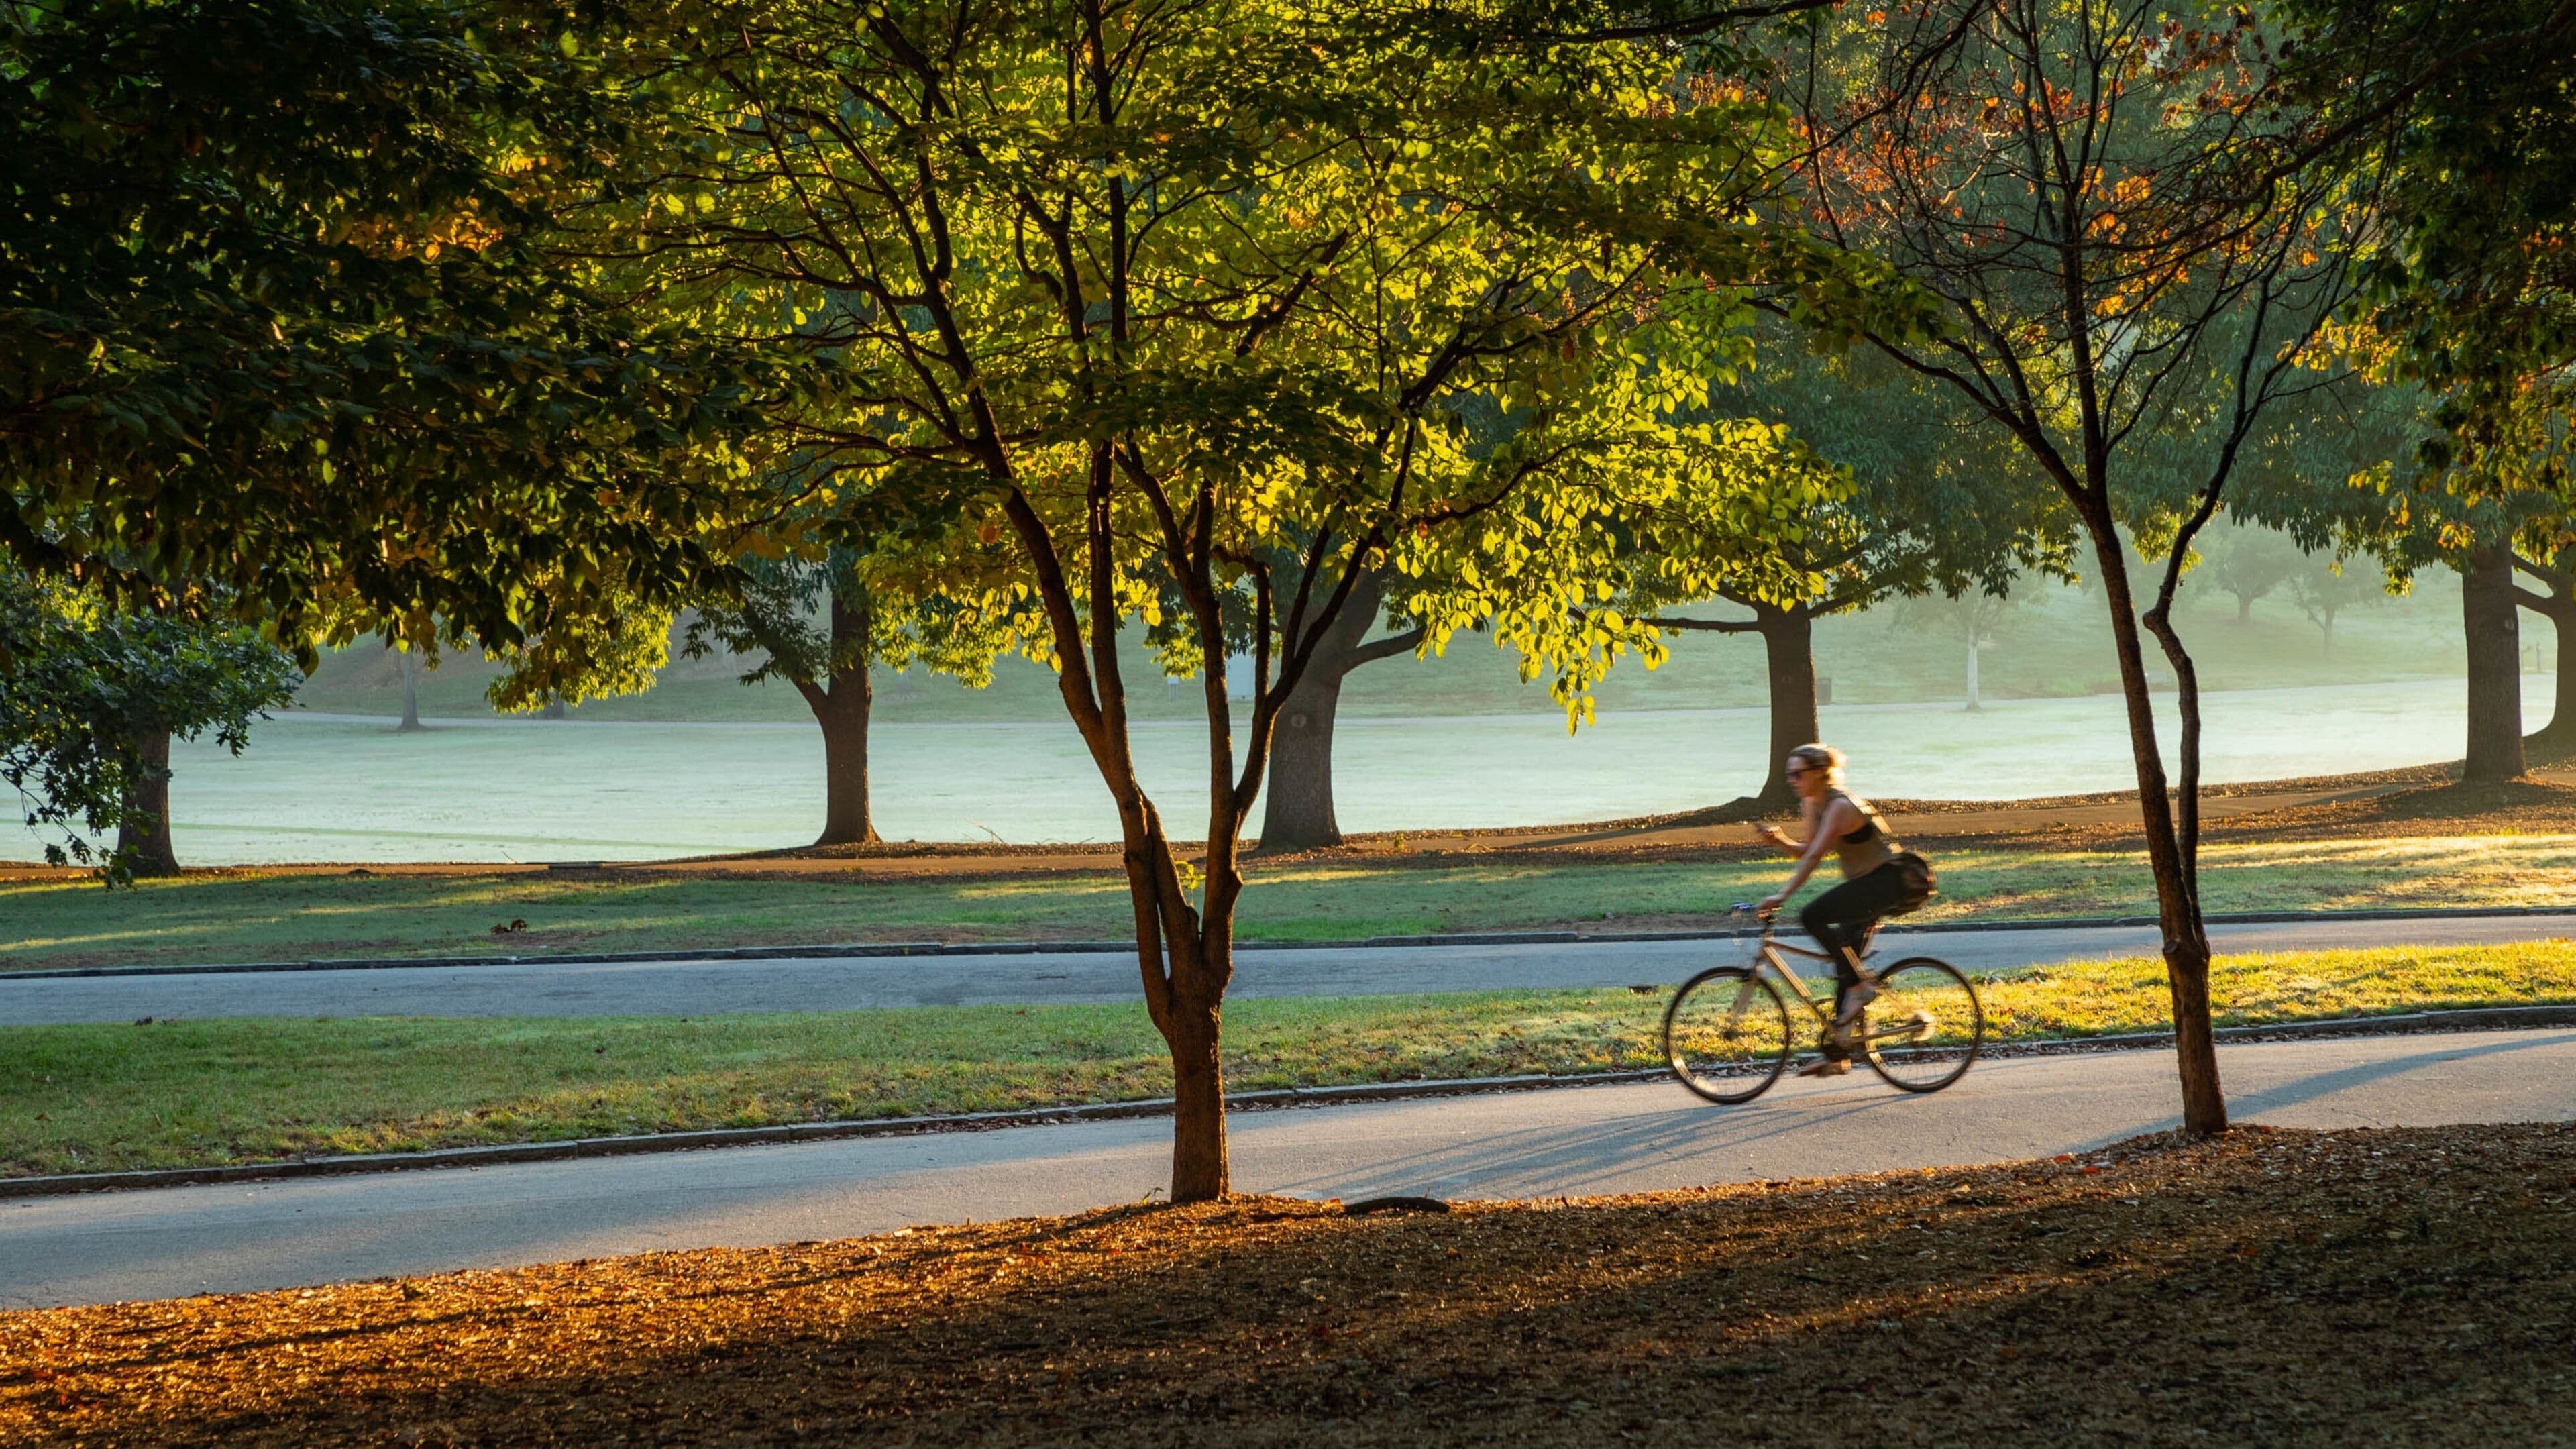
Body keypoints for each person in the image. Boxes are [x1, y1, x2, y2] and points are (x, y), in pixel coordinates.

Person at [1753, 743, 1911, 1077]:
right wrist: (1780, 840)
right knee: (1845, 959)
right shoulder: (1812, 803)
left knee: (1812, 916)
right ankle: (1837, 1056)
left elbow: (1813, 859)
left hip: (1886, 881)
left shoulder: (1840, 805)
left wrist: (1781, 896)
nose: (1792, 780)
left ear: (1819, 773)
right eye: (1788, 775)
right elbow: (1808, 849)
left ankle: (1859, 990)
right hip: (1865, 885)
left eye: (1798, 774)